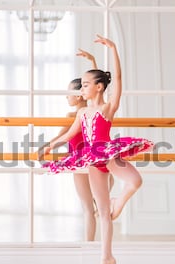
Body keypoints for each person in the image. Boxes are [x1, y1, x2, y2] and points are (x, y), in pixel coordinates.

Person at [41, 35, 154, 264]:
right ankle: (106, 258)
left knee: (135, 181)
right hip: (91, 161)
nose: (82, 89)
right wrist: (49, 145)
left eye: (85, 85)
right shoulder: (82, 112)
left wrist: (113, 48)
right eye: (81, 85)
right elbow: (71, 133)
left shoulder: (107, 108)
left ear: (99, 87)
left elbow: (119, 79)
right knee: (102, 212)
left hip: (109, 153)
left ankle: (119, 201)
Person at [41, 49, 113, 241]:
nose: (68, 97)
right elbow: (99, 85)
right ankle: (90, 242)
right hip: (86, 160)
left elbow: (61, 136)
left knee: (88, 208)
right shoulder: (86, 112)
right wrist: (93, 61)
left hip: (86, 160)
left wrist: (46, 147)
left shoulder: (78, 114)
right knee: (91, 207)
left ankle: (89, 243)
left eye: (71, 93)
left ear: (81, 94)